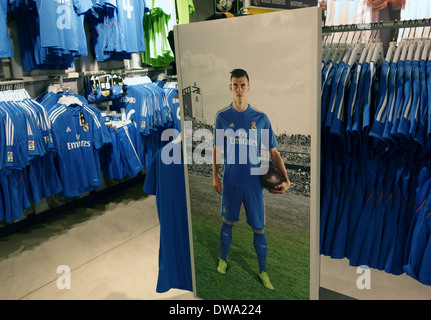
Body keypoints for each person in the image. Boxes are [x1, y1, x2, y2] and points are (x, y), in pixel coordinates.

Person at [212, 68, 291, 290]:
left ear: (248, 87)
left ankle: (263, 271)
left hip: (254, 184)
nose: (239, 89)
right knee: (227, 222)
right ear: (230, 87)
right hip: (231, 182)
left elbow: (274, 153)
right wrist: (215, 176)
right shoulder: (222, 117)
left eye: (242, 85)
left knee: (259, 228)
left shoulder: (261, 118)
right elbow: (217, 149)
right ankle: (223, 259)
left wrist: (287, 179)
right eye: (235, 85)